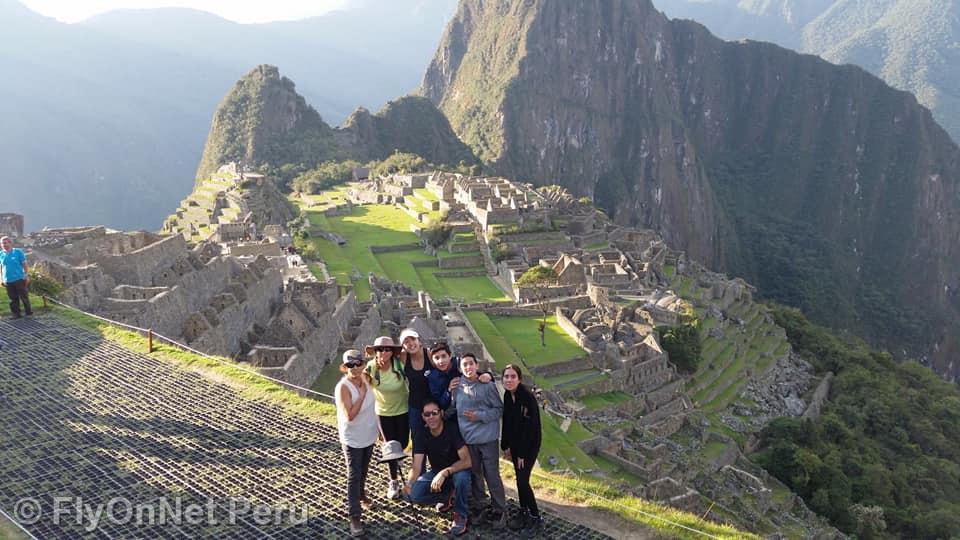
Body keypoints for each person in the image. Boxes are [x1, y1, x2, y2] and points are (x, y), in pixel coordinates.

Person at [403, 400, 473, 536]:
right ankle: (448, 497)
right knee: (412, 494)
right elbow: (416, 466)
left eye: (434, 413)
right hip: (436, 472)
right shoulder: (421, 434)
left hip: (457, 470)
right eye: (427, 414)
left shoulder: (452, 429)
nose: (431, 417)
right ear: (423, 417)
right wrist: (409, 483)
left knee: (461, 479)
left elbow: (467, 460)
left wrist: (445, 473)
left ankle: (460, 514)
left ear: (441, 413)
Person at [455, 353, 507, 528]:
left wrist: (480, 416)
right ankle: (481, 505)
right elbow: (453, 409)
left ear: (477, 365)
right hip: (469, 440)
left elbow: (499, 410)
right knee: (476, 475)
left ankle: (500, 509)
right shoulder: (457, 386)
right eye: (464, 365)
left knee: (492, 475)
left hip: (487, 439)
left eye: (471, 364)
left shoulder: (487, 385)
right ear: (460, 368)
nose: (468, 367)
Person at [335, 349, 378, 537]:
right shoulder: (343, 387)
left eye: (357, 364)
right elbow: (350, 415)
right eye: (350, 365)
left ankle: (361, 493)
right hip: (352, 438)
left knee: (364, 469)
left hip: (368, 433)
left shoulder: (367, 378)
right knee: (353, 474)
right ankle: (354, 515)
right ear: (345, 367)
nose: (354, 368)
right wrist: (360, 396)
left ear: (362, 364)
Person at [364, 336, 409, 500]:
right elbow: (360, 382)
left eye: (388, 349)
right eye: (380, 349)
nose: (384, 352)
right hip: (383, 412)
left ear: (393, 351)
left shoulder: (399, 363)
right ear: (375, 351)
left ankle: (398, 458)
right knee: (391, 449)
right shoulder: (371, 368)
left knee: (403, 443)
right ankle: (394, 481)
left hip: (403, 409)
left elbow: (414, 351)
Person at [501, 364, 544, 535]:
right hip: (516, 444)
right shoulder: (507, 395)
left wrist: (523, 455)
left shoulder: (527, 398)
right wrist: (505, 446)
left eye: (513, 376)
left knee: (522, 481)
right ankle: (523, 510)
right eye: (506, 376)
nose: (509, 380)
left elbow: (531, 427)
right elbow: (508, 422)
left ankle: (535, 517)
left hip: (529, 444)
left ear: (519, 379)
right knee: (519, 479)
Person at [427, 344, 492, 419]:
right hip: (451, 414)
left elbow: (479, 374)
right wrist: (449, 390)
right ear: (432, 361)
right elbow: (438, 403)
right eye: (436, 358)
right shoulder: (433, 377)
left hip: (472, 408)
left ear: (450, 356)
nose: (441, 361)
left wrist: (488, 375)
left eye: (443, 356)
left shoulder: (461, 364)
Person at [399, 329, 432, 444]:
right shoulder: (404, 357)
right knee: (417, 439)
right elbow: (384, 357)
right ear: (403, 346)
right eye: (406, 341)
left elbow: (448, 365)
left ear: (419, 341)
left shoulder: (429, 354)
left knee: (434, 438)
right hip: (415, 405)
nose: (410, 343)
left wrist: (484, 374)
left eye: (413, 339)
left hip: (433, 404)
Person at [0, 236, 31, 319]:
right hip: (8, 280)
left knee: (24, 297)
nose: (4, 245)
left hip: (19, 278)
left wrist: (27, 275)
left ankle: (28, 313)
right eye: (2, 243)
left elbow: (24, 264)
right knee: (12, 299)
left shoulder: (18, 252)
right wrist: (1, 279)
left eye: (5, 243)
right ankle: (16, 314)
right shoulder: (1, 254)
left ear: (10, 243)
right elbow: (1, 267)